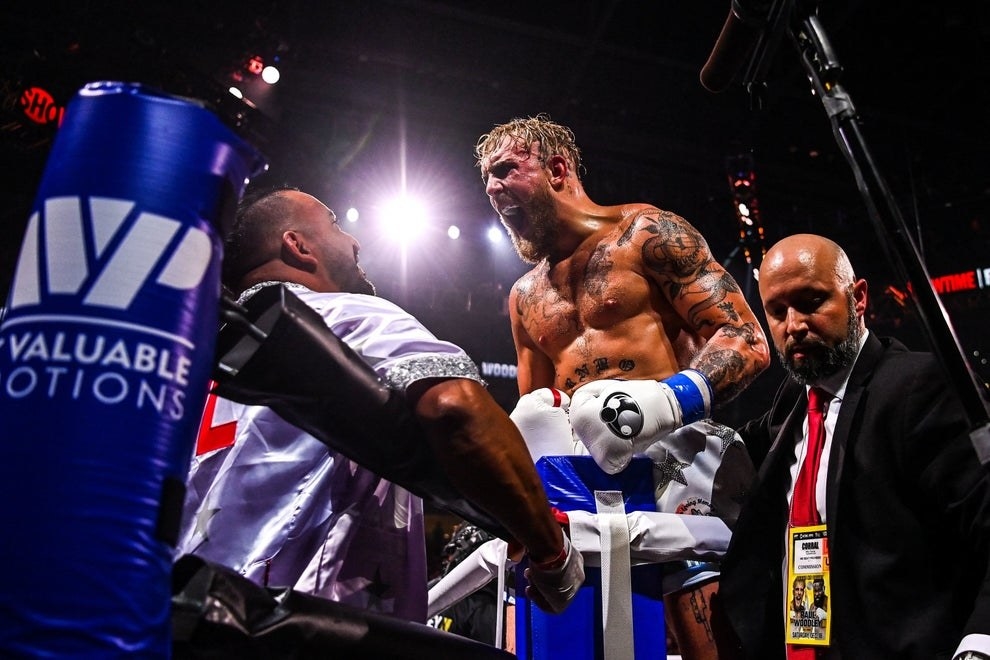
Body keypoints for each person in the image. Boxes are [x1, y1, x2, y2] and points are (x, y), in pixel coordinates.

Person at [177, 186, 583, 623]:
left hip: (179, 621)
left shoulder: (189, 367)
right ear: (297, 246)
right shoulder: (344, 314)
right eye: (333, 223)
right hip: (305, 628)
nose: (353, 241)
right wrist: (550, 551)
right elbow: (454, 409)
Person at [475, 115, 771, 658]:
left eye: (505, 171)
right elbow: (535, 419)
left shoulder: (647, 233)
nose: (492, 190)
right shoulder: (523, 297)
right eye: (486, 181)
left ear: (556, 168)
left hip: (681, 468)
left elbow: (746, 337)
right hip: (588, 494)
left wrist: (664, 399)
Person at [716, 233, 990, 659]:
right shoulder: (793, 403)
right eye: (777, 311)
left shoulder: (919, 387)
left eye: (810, 302)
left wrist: (979, 645)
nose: (794, 325)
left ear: (858, 298)